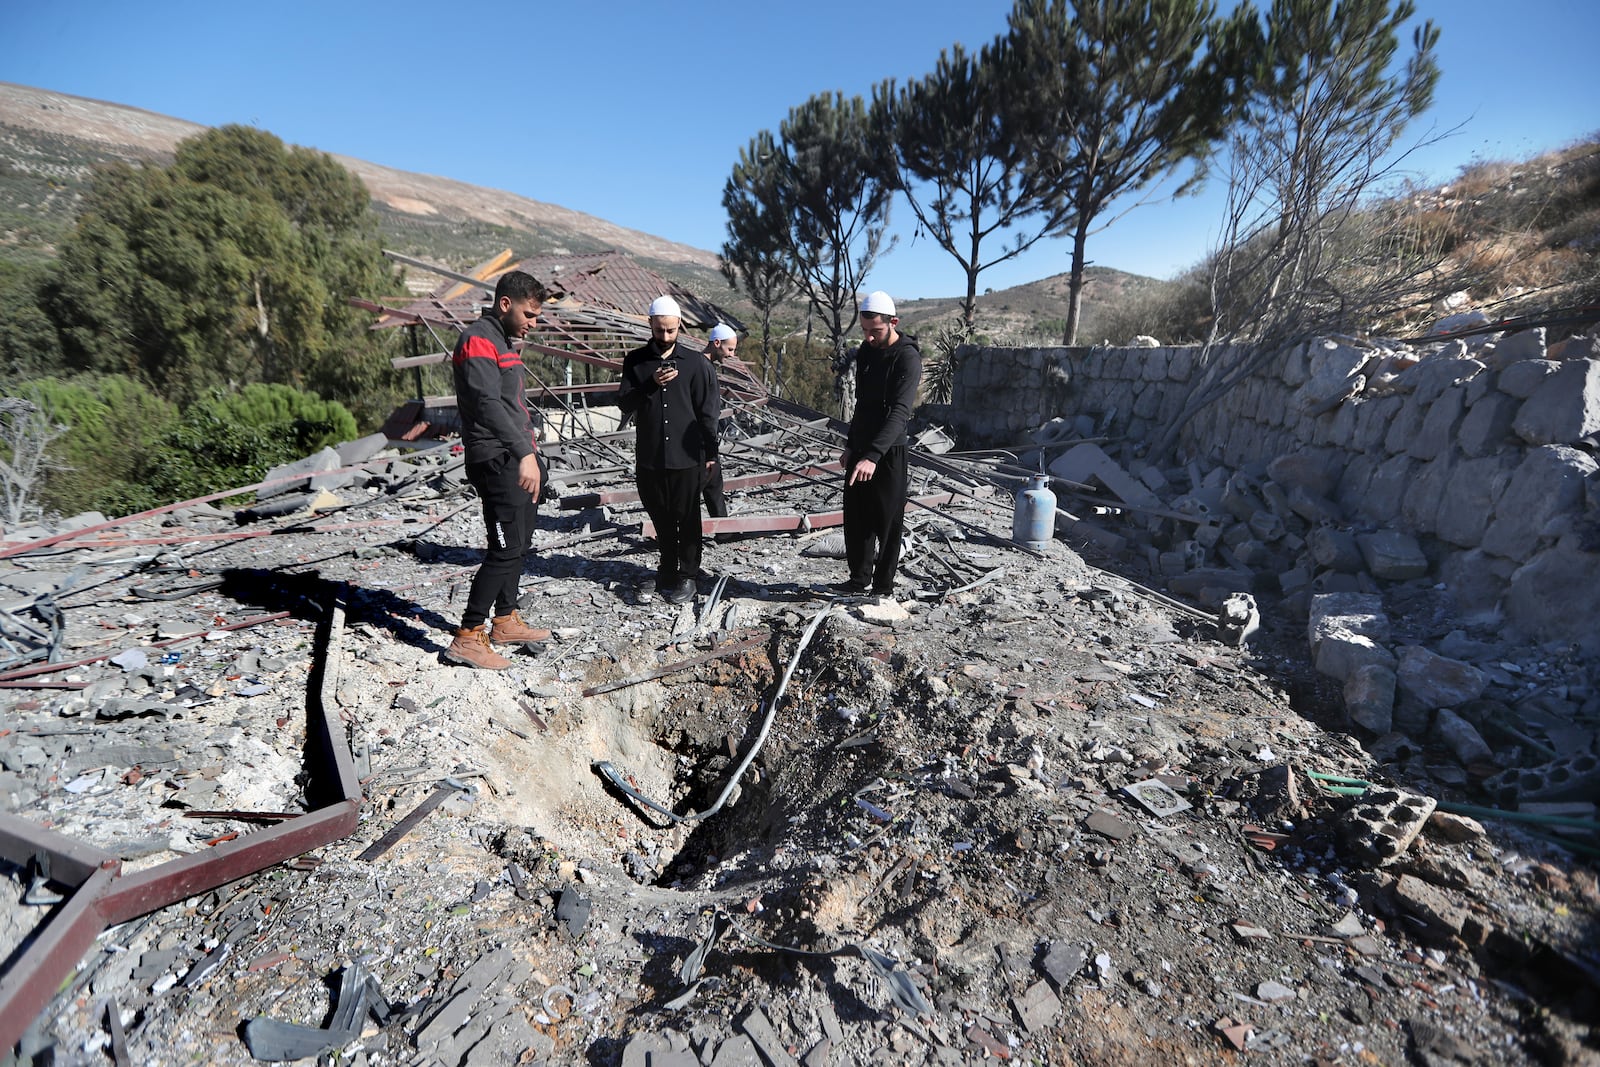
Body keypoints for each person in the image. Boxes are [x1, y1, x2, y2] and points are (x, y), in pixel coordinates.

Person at [443, 270, 552, 670]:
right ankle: (468, 635)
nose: (533, 323)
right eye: (529, 313)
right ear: (505, 304)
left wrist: (532, 454)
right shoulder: (477, 340)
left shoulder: (503, 341)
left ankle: (504, 619)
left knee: (520, 542)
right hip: (496, 457)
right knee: (505, 548)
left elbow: (511, 404)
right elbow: (487, 404)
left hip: (516, 455)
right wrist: (524, 452)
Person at [617, 296, 720, 604]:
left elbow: (707, 413)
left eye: (670, 331)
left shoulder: (696, 364)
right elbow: (624, 403)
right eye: (659, 330)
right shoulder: (635, 361)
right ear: (650, 324)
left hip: (687, 457)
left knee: (687, 517)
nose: (664, 337)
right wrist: (650, 384)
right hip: (650, 457)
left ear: (679, 327)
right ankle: (667, 568)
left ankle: (688, 575)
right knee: (660, 515)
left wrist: (712, 453)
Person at [833, 290, 922, 599]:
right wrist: (851, 444)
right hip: (862, 446)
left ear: (893, 322)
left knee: (888, 521)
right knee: (856, 517)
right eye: (865, 331)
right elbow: (862, 404)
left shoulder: (907, 357)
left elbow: (900, 411)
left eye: (876, 331)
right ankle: (858, 580)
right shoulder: (867, 351)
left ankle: (882, 588)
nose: (869, 338)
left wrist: (873, 455)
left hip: (889, 451)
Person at [700, 323, 739, 520]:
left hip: (696, 441)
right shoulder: (704, 368)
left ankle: (724, 530)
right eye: (729, 349)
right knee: (705, 483)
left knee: (713, 484)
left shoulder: (699, 365)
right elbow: (708, 415)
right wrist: (711, 453)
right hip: (699, 443)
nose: (731, 355)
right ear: (716, 343)